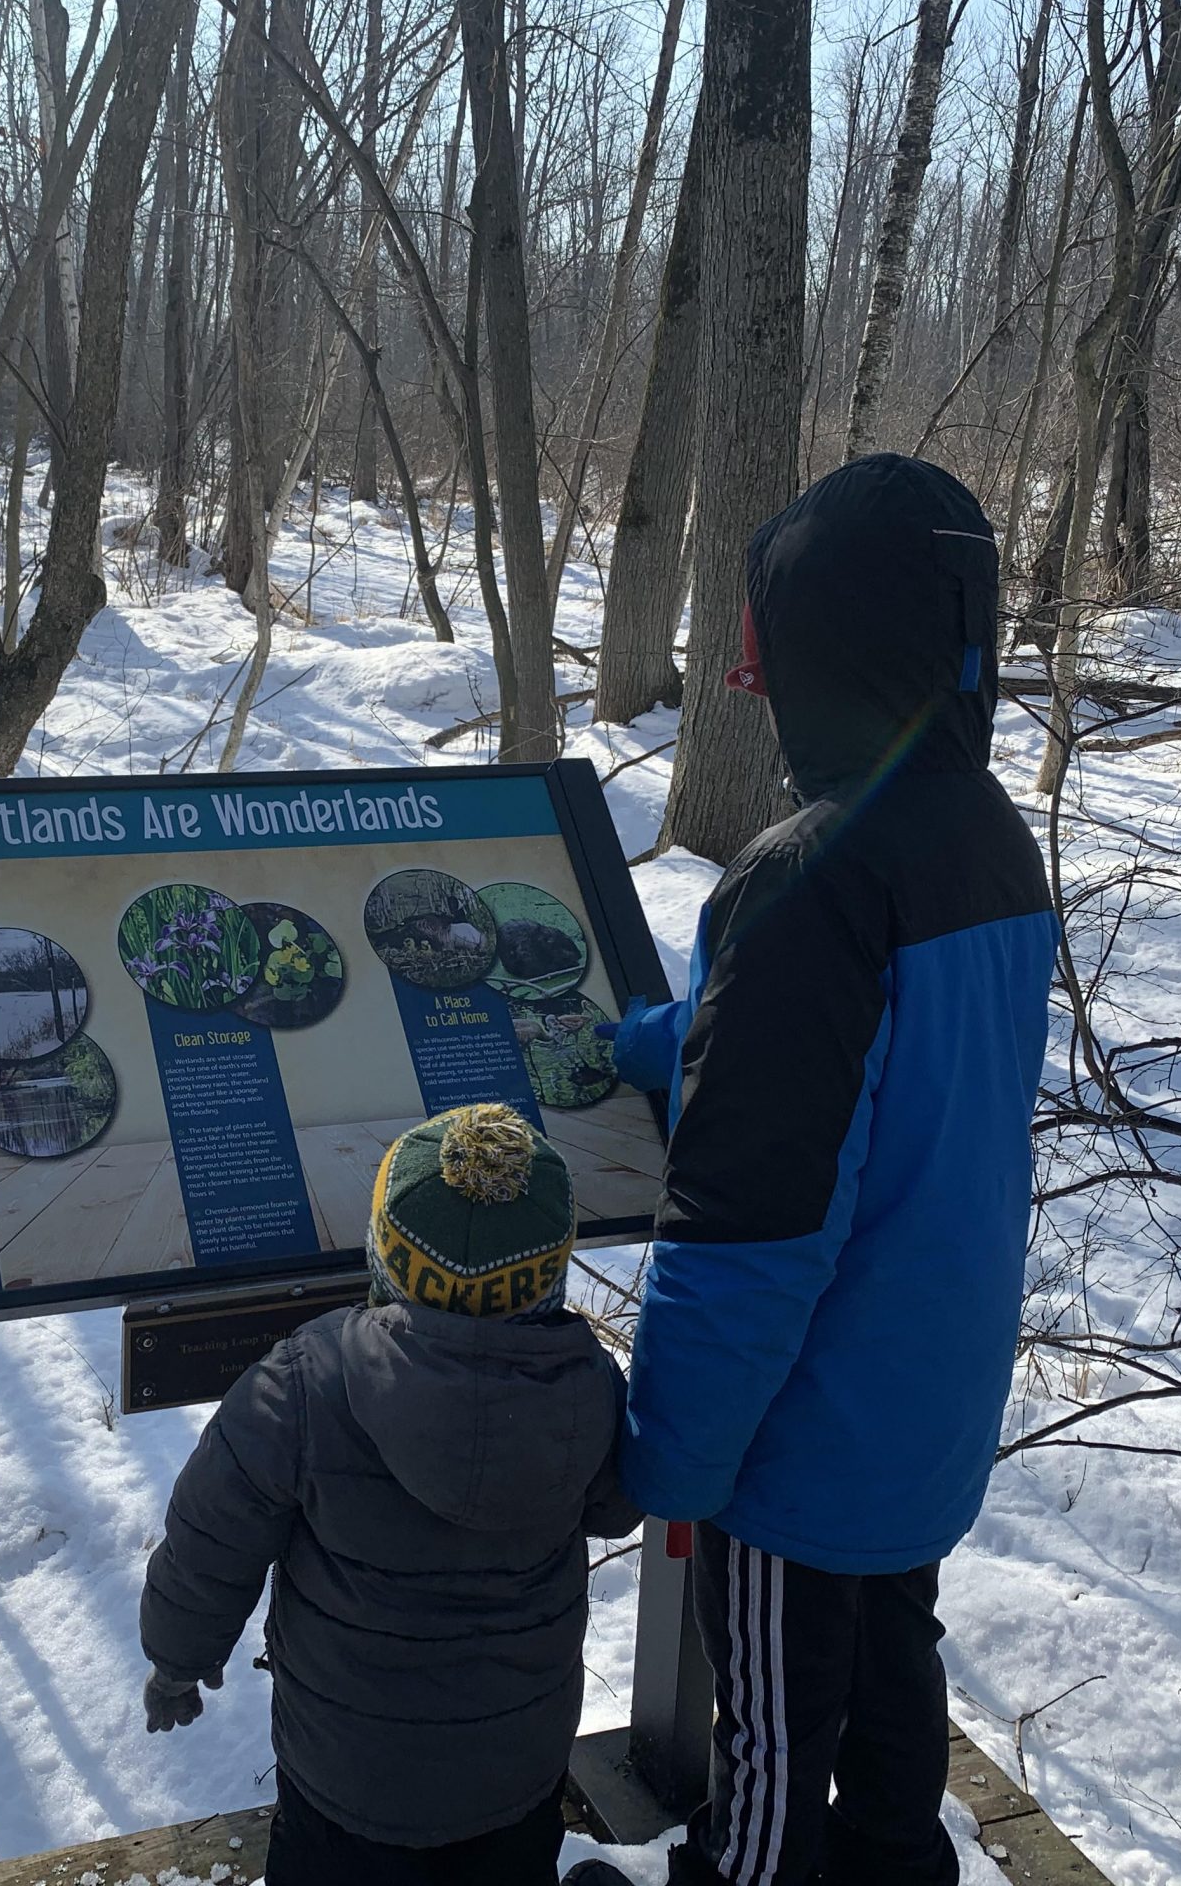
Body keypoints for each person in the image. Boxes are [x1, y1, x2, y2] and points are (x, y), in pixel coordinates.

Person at [608, 454, 1056, 1886]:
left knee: (773, 1733)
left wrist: (668, 1461)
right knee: (889, 1665)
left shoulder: (809, 880)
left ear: (814, 656)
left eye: (763, 650)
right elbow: (880, 1059)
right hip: (928, 1395)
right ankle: (893, 1862)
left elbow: (752, 1228)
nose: (746, 686)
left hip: (807, 1436)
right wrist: (676, 1043)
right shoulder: (984, 842)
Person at [137, 1102, 639, 1886]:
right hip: (514, 1766)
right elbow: (615, 1507)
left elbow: (211, 1541)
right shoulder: (589, 1386)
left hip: (346, 1779)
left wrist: (176, 1657)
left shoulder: (307, 1382)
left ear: (386, 1258)